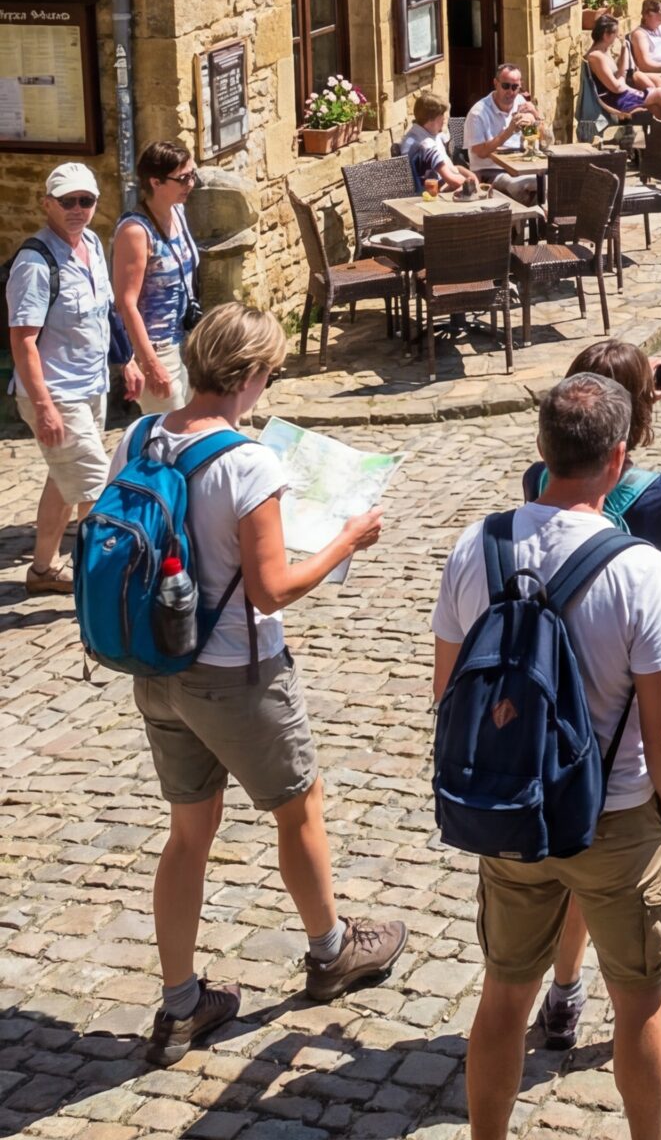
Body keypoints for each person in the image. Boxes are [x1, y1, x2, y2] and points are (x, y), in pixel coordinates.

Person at [120, 303, 405, 1066]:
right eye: (271, 372)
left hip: (157, 668)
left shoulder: (141, 435)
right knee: (298, 808)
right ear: (246, 375)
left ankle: (182, 1006)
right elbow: (270, 589)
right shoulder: (249, 463)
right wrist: (347, 536)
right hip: (234, 673)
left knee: (188, 835)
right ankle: (331, 951)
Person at [434, 375, 661, 1140]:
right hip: (614, 816)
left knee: (505, 995)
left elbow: (447, 692)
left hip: (511, 810)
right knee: (638, 1000)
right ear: (618, 457)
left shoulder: (476, 546)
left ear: (543, 452)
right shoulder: (637, 565)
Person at [520, 341, 661, 1048]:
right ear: (635, 417)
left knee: (575, 843)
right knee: (634, 854)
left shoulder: (536, 479)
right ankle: (646, 984)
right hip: (649, 687)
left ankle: (561, 993)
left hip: (567, 684)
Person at [8, 161, 123, 594]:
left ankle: (41, 571)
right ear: (47, 205)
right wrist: (43, 407)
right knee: (96, 485)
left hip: (91, 387)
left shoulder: (92, 243)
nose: (77, 209)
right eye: (67, 202)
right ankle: (101, 583)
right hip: (56, 395)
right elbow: (23, 342)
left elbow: (104, 315)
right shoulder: (35, 264)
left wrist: (125, 362)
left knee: (64, 479)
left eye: (86, 200)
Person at [113, 139, 201, 417]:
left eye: (192, 174)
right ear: (156, 182)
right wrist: (151, 365)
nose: (191, 184)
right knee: (171, 434)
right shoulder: (136, 232)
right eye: (183, 178)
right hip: (157, 348)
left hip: (185, 342)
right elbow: (126, 303)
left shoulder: (178, 212)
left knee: (195, 429)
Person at [464, 63, 544, 207]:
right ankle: (525, 222)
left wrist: (536, 116)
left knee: (552, 182)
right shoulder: (478, 113)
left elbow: (544, 139)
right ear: (496, 83)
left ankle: (540, 222)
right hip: (490, 172)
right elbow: (480, 152)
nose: (511, 92)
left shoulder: (520, 102)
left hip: (520, 167)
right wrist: (509, 131)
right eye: (506, 86)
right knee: (524, 186)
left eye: (515, 87)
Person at [400, 92, 481, 195]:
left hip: (442, 186)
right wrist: (473, 183)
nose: (444, 118)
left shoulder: (419, 134)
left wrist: (472, 177)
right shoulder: (426, 146)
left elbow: (452, 168)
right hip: (435, 196)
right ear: (431, 119)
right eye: (441, 114)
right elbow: (453, 181)